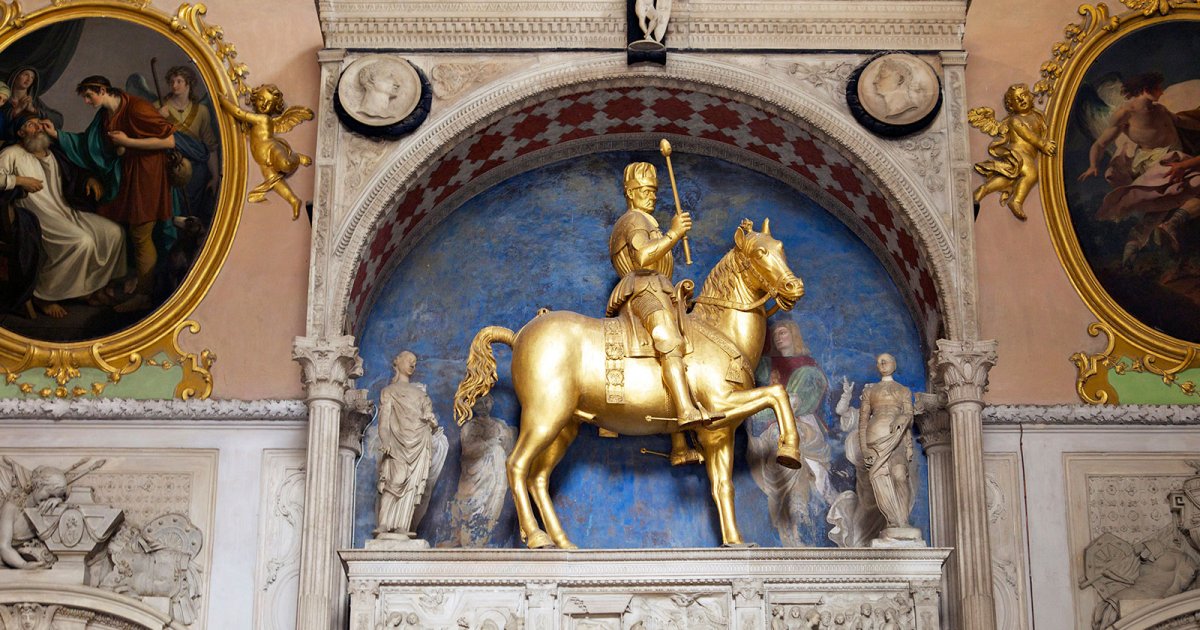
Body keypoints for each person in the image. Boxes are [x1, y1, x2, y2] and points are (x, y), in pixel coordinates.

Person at [47, 75, 175, 314]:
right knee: (124, 231)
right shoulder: (105, 115)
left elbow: (168, 141)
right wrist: (57, 135)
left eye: (88, 95)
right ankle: (130, 284)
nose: (86, 101)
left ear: (102, 89)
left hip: (146, 176)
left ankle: (145, 296)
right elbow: (89, 144)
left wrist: (130, 142)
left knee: (141, 235)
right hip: (126, 176)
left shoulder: (137, 108)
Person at [606, 161, 705, 428]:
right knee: (669, 339)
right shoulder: (635, 220)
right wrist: (674, 233)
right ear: (630, 192)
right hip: (643, 288)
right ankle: (685, 410)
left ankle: (678, 441)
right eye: (645, 190)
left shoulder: (646, 221)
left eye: (654, 191)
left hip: (658, 288)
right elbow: (642, 257)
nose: (652, 196)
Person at [0, 116, 126, 318]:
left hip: (66, 210)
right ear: (20, 133)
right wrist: (19, 180)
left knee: (114, 233)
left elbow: (74, 172)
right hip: (36, 215)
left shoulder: (54, 152)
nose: (38, 127)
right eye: (30, 124)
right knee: (81, 242)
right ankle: (45, 295)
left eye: (39, 122)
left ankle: (88, 289)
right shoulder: (11, 153)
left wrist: (89, 178)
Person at [1078, 72, 1200, 270]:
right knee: (1175, 195)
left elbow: (1181, 122)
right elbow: (1100, 143)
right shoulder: (1125, 114)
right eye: (1158, 88)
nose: (1161, 92)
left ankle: (1132, 251)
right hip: (1158, 161)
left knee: (1160, 209)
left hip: (1175, 155)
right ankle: (1165, 229)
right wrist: (1093, 165)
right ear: (1146, 89)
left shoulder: (1160, 109)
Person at [745, 319, 836, 545]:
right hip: (772, 426)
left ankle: (798, 505)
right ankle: (794, 509)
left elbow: (804, 401)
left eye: (783, 332)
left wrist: (783, 407)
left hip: (801, 424)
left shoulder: (808, 368)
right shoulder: (764, 367)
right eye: (775, 334)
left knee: (791, 443)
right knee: (780, 441)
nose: (778, 337)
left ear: (795, 335)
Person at [375, 350, 443, 537]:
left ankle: (403, 526)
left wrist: (431, 422)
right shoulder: (389, 392)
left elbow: (431, 421)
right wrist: (386, 440)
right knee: (396, 479)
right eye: (409, 361)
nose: (412, 364)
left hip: (419, 441)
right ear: (398, 362)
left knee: (411, 486)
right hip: (398, 442)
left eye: (415, 362)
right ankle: (383, 523)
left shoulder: (420, 395)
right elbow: (384, 421)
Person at [859, 353, 917, 538]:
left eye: (886, 360)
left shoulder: (903, 390)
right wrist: (864, 448)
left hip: (896, 438)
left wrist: (903, 418)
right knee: (880, 480)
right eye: (879, 362)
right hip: (874, 439)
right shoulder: (870, 391)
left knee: (899, 476)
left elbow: (909, 415)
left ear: (894, 364)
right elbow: (862, 422)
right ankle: (892, 520)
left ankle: (903, 520)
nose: (882, 363)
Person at [448, 394, 514, 547]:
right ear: (474, 405)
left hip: (496, 475)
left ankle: (481, 537)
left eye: (487, 401)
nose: (484, 405)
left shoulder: (500, 426)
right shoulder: (470, 426)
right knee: (472, 509)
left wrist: (507, 438)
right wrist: (490, 444)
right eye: (480, 402)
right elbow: (468, 450)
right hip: (475, 476)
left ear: (492, 403)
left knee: (493, 504)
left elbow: (510, 448)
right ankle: (469, 538)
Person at [158, 65, 219, 221]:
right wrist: (157, 118)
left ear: (188, 84)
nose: (174, 85)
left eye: (179, 81)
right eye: (172, 81)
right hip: (171, 169)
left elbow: (210, 146)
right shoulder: (159, 107)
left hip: (197, 174)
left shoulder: (202, 111)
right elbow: (150, 137)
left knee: (194, 214)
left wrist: (215, 176)